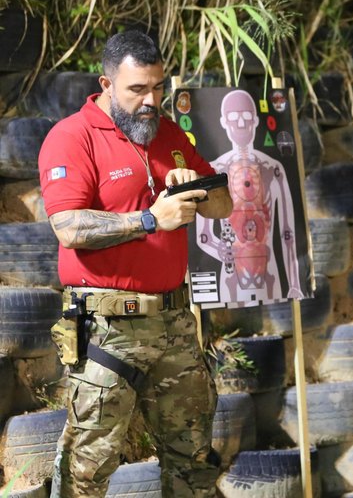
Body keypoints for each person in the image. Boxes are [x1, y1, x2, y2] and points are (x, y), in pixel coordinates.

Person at [38, 30, 232, 497]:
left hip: (174, 322)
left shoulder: (168, 133)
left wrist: (198, 188)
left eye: (158, 88)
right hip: (108, 329)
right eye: (137, 90)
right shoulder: (72, 137)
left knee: (194, 459)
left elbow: (223, 206)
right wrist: (150, 219)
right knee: (90, 466)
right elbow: (68, 227)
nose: (151, 101)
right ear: (106, 84)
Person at [195, 89, 303, 304]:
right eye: (234, 118)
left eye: (246, 118)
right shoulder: (214, 170)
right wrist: (220, 251)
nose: (241, 124)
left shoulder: (273, 168)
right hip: (231, 272)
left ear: (255, 121)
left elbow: (288, 231)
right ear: (224, 122)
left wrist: (294, 282)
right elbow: (204, 236)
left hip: (269, 268)